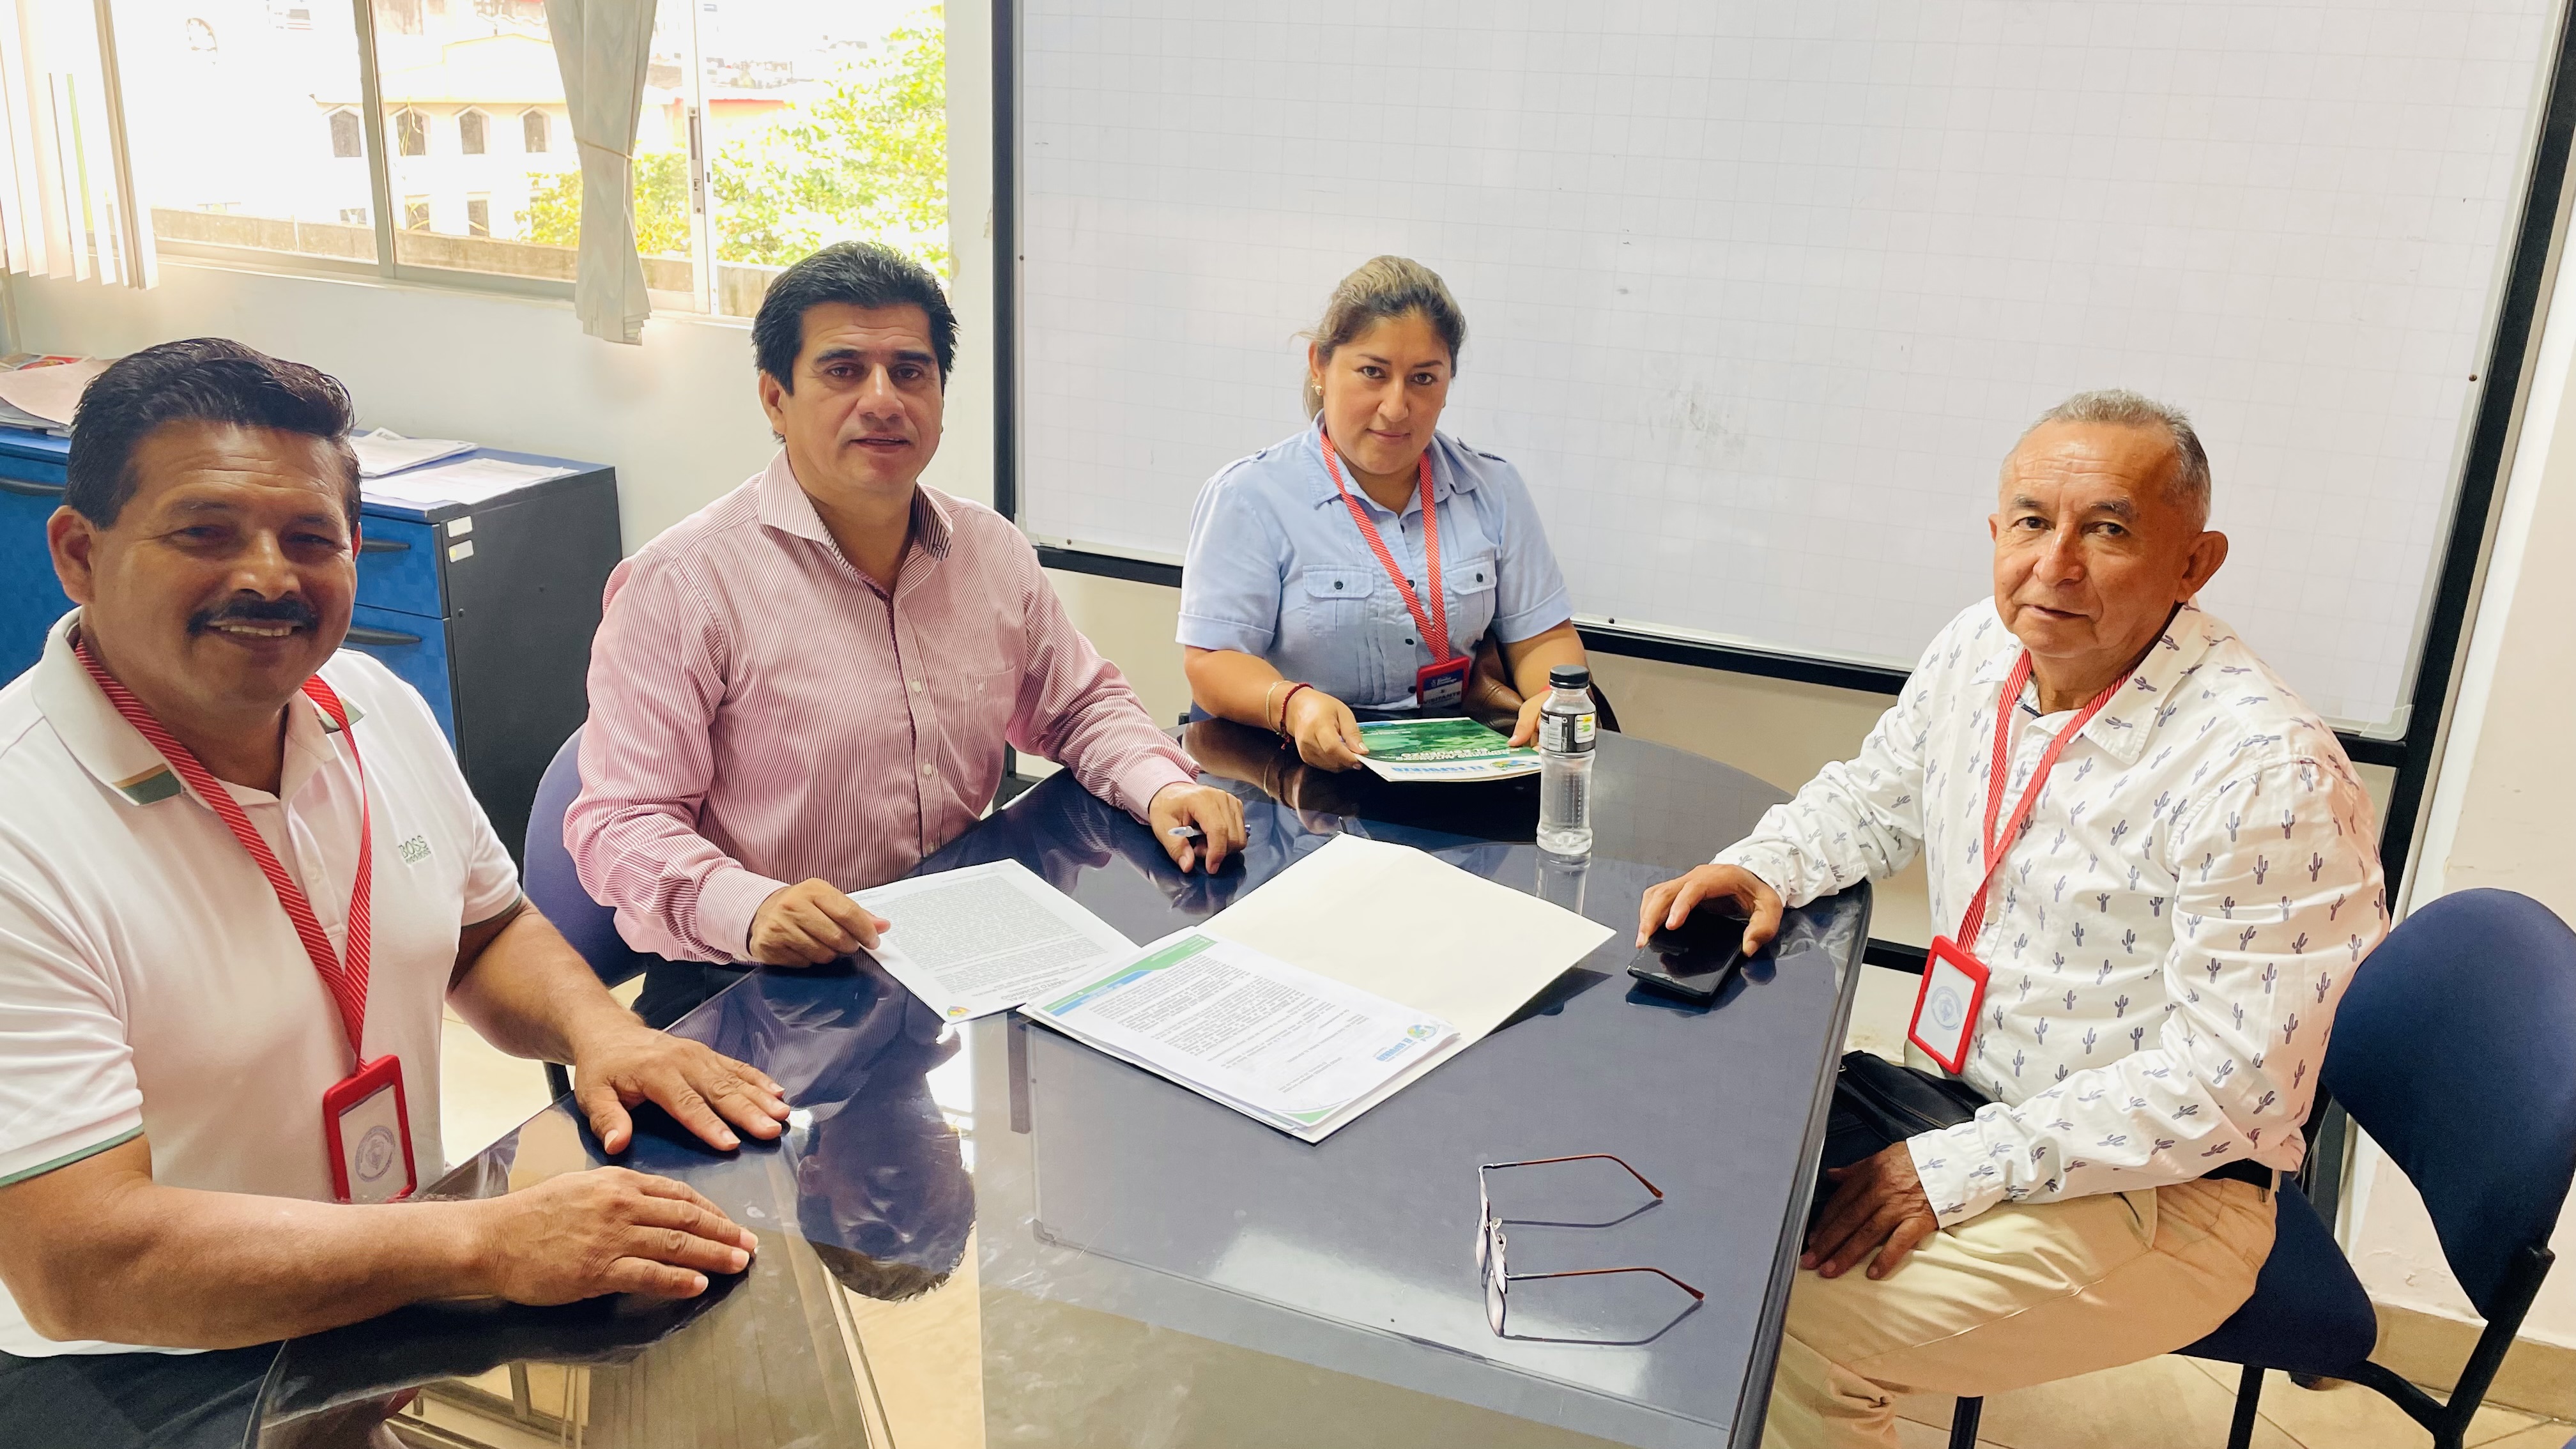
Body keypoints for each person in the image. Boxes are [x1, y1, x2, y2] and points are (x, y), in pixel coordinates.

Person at [0, 341, 778, 1443]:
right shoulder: (20, 827)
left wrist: (603, 1032)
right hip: (140, 1365)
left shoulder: (369, 702)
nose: (269, 576)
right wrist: (482, 1243)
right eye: (205, 532)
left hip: (378, 1287)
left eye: (310, 538)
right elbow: (80, 1264)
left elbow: (486, 932)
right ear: (79, 553)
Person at [1636, 390, 2388, 1448]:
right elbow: (1874, 797)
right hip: (1964, 1097)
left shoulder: (2267, 772)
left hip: (2170, 1191)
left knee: (1794, 1320)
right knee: (1687, 1161)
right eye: (2032, 522)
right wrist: (1765, 863)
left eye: (2108, 529)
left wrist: (1956, 1168)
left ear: (2194, 564)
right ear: (1997, 531)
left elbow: (2230, 1085)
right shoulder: (1978, 652)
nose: (2055, 564)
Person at [569, 242, 1245, 985]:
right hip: (759, 975)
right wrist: (752, 908)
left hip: (954, 939)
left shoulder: (989, 549)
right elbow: (622, 825)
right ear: (775, 398)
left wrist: (1164, 786)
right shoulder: (681, 585)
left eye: (911, 372)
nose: (884, 400)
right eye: (843, 370)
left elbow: (1081, 708)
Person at [1177, 256, 1586, 768]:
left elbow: (1543, 637)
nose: (1396, 407)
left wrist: (1551, 699)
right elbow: (1211, 662)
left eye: (1423, 378)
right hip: (1300, 766)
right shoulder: (1250, 496)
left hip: (1457, 756)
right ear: (1320, 366)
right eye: (1373, 373)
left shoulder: (1493, 487)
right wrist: (1294, 705)